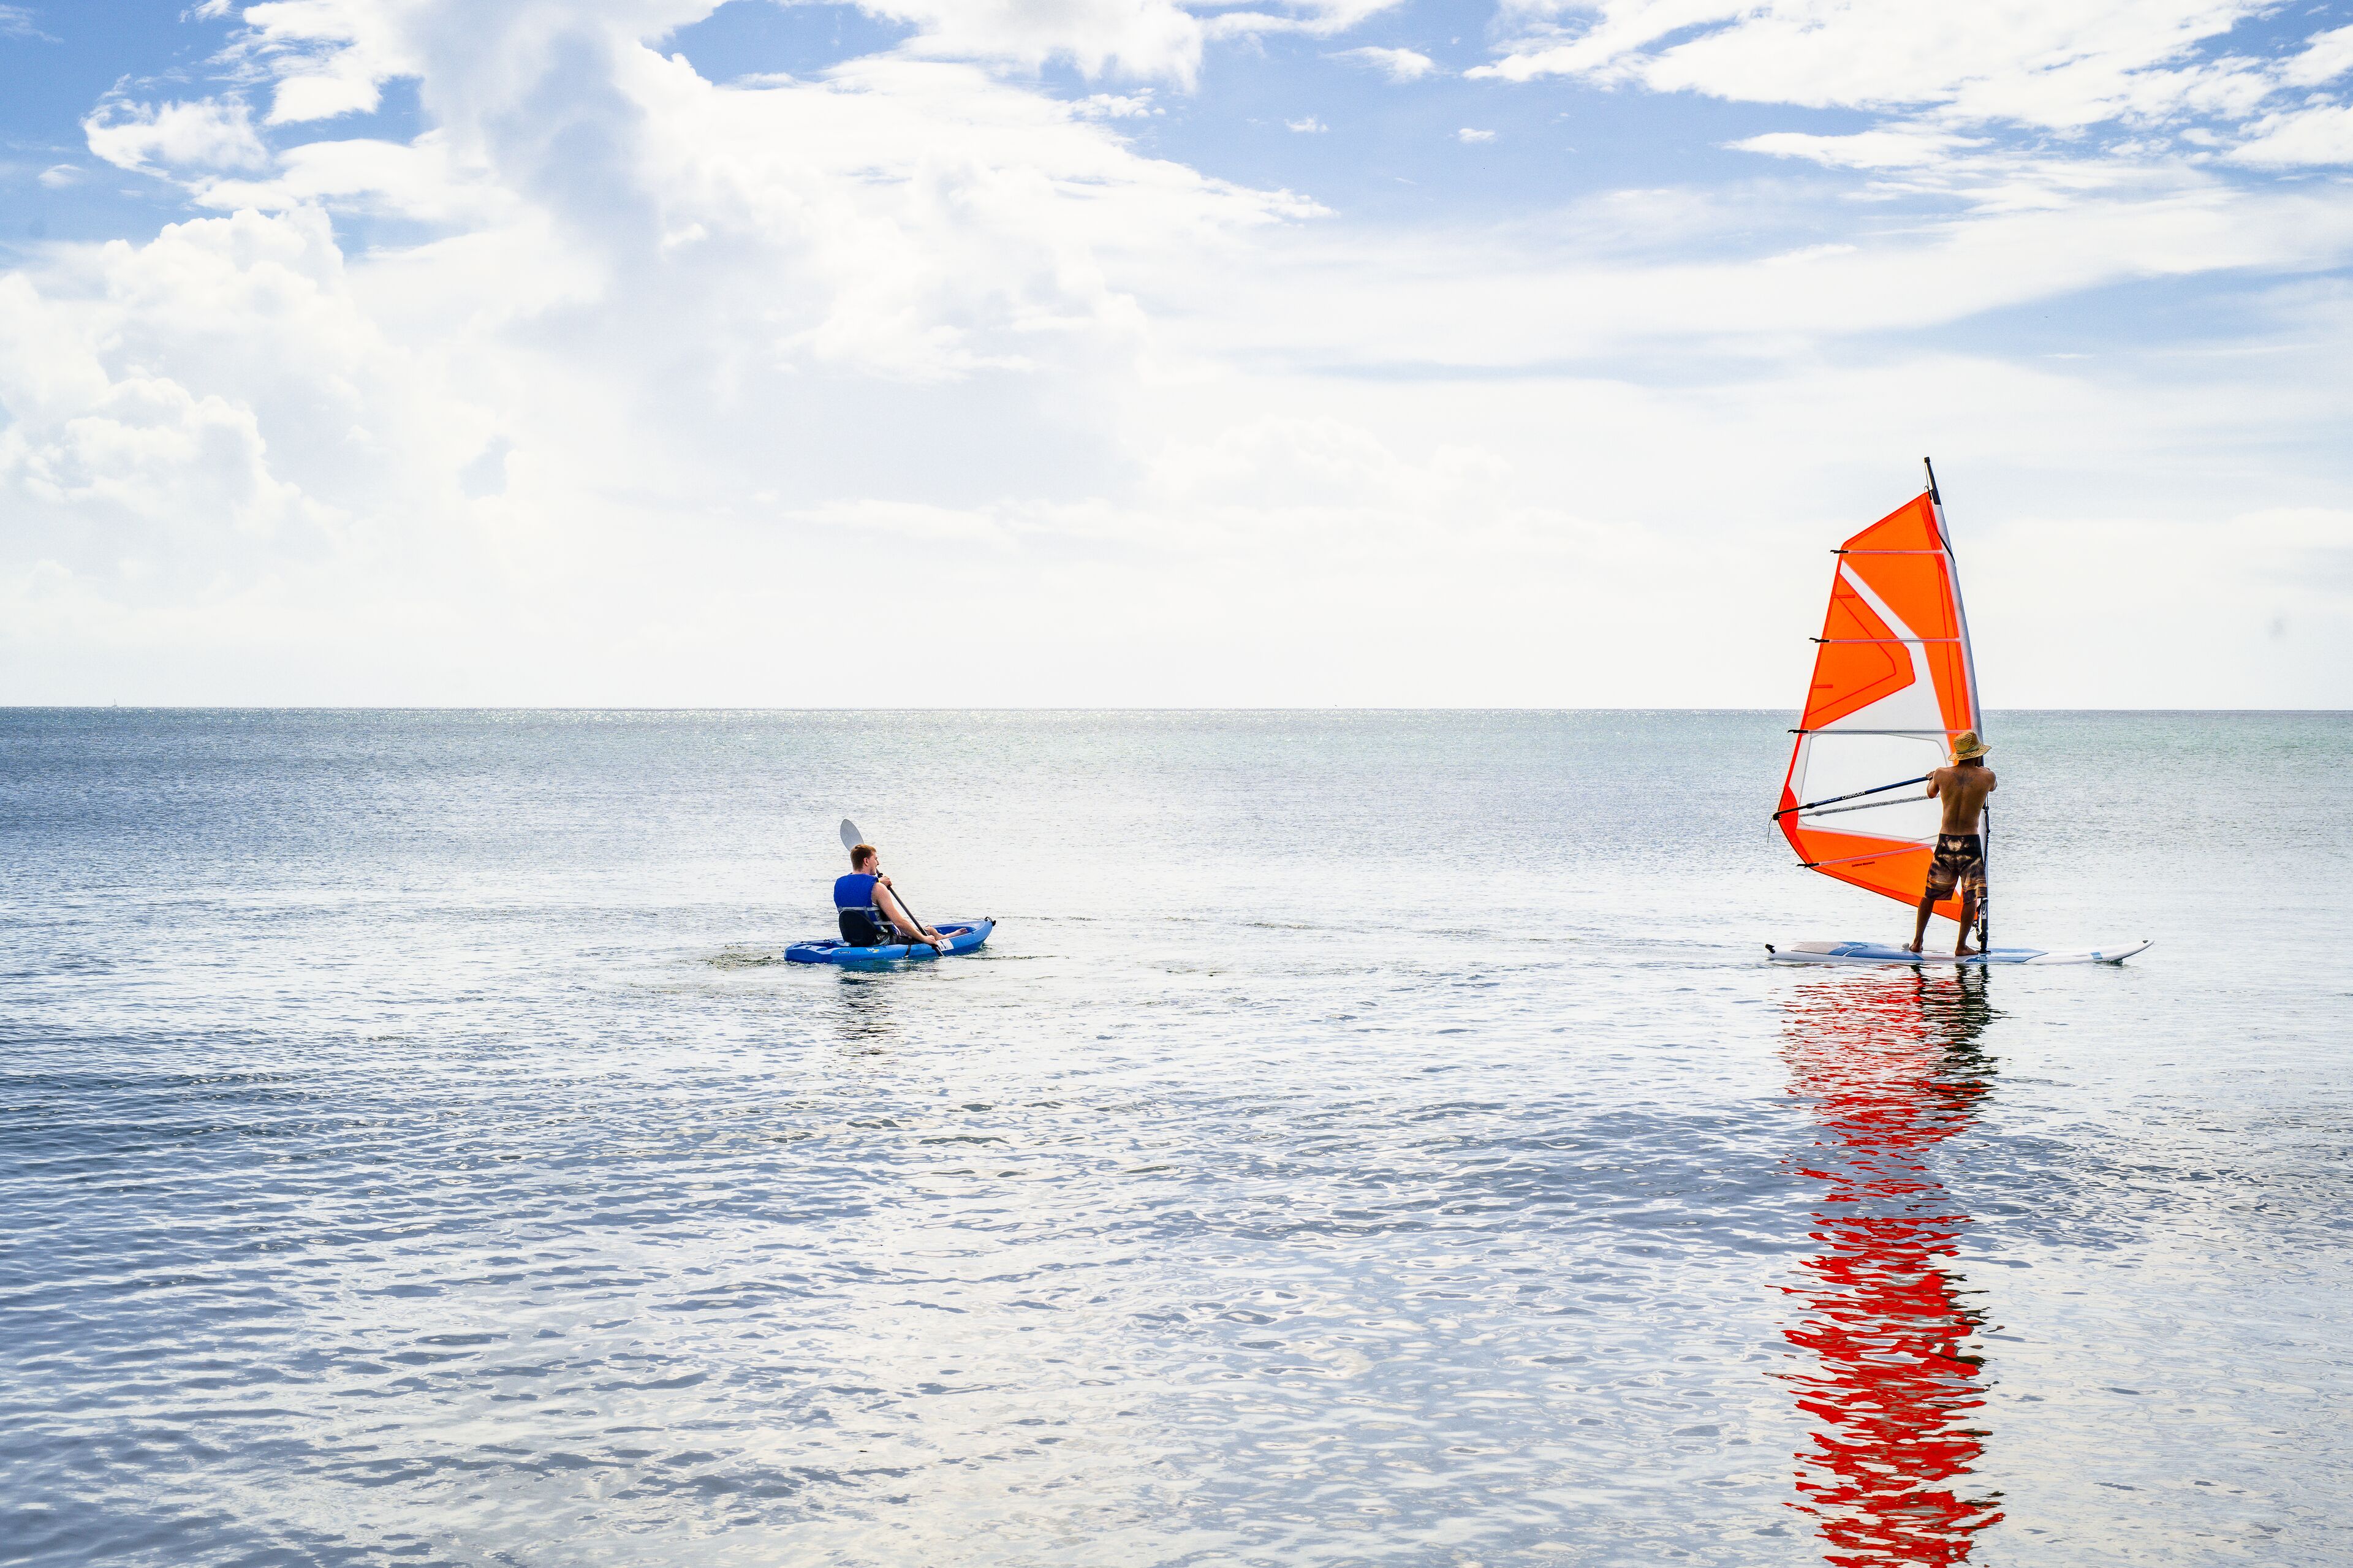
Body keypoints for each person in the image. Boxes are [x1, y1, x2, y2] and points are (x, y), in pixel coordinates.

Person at [1907, 732, 1996, 956]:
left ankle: (1917, 942)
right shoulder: (1987, 777)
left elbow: (1931, 793)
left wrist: (1932, 779)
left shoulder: (1941, 773)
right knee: (1970, 895)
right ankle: (1961, 946)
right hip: (1970, 843)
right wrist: (1982, 769)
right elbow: (1993, 786)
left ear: (1958, 755)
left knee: (1930, 894)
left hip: (1946, 841)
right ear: (1977, 755)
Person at [834, 843, 945, 950]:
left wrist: (878, 881)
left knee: (928, 931)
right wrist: (924, 939)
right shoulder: (877, 888)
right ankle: (940, 938)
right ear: (866, 861)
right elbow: (900, 923)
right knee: (929, 932)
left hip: (855, 940)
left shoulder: (839, 885)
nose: (878, 863)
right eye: (876, 859)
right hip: (882, 941)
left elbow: (859, 889)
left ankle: (941, 936)